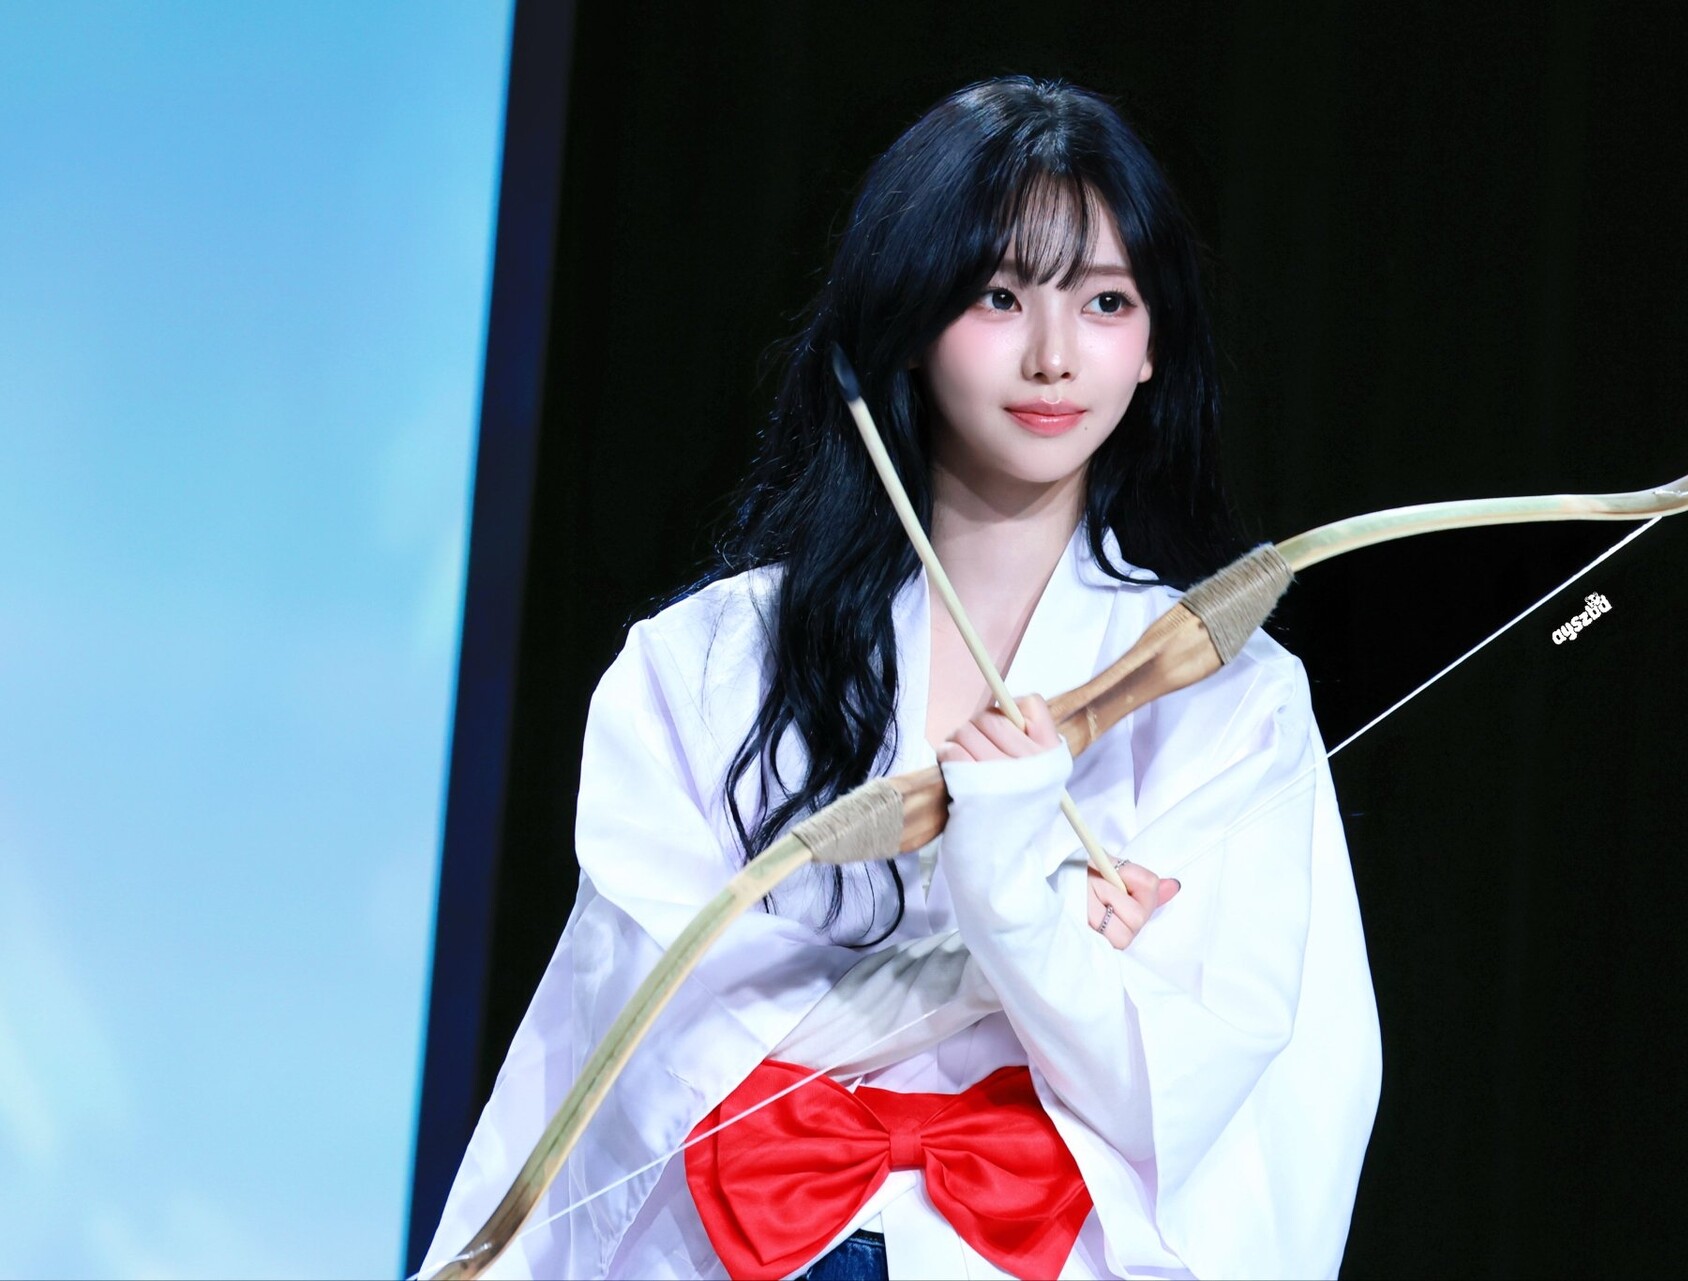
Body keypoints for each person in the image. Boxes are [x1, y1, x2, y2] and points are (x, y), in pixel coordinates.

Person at [424, 76, 1380, 1280]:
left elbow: (1208, 1079)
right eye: (998, 296)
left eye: (1105, 302)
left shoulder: (1228, 700)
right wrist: (1014, 947)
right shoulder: (706, 662)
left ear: (1153, 347)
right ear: (910, 317)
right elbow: (657, 1026)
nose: (1052, 356)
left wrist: (1011, 911)